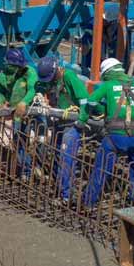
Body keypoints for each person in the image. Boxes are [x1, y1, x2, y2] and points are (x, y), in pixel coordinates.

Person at [81, 57, 134, 207]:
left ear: (107, 73)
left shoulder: (108, 85)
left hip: (115, 138)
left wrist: (104, 110)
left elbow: (91, 101)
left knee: (102, 169)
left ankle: (88, 202)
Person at [35, 55, 90, 200]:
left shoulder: (69, 77)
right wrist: (40, 93)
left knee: (66, 157)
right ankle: (59, 186)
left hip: (71, 123)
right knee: (55, 154)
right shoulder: (51, 79)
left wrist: (82, 120)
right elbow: (40, 86)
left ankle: (67, 196)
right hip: (58, 122)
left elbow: (85, 100)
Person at [0, 48, 38, 119]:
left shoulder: (30, 72)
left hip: (29, 110)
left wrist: (24, 102)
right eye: (18, 66)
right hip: (11, 111)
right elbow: (0, 91)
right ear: (9, 65)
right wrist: (1, 103)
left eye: (21, 66)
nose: (21, 68)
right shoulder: (1, 76)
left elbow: (32, 89)